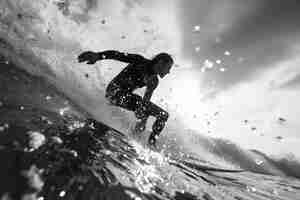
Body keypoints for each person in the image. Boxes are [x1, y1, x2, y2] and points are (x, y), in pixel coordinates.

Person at [77, 50, 174, 147]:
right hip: (113, 93)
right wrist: (97, 56)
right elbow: (117, 55)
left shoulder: (153, 81)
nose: (168, 72)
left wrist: (142, 118)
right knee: (143, 107)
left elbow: (145, 102)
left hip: (125, 97)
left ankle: (145, 141)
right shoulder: (139, 61)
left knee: (162, 115)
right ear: (160, 63)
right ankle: (148, 142)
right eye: (168, 68)